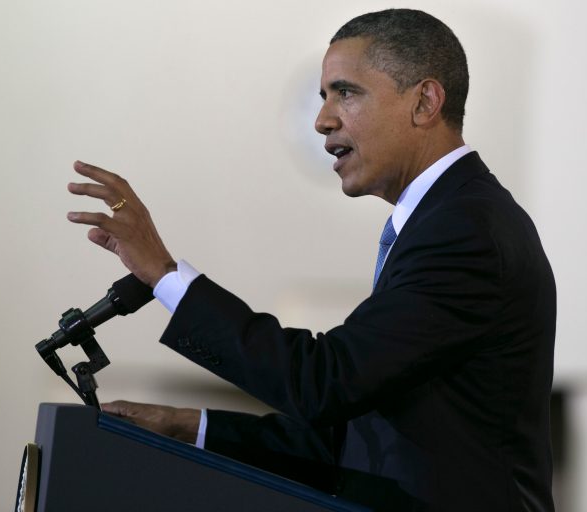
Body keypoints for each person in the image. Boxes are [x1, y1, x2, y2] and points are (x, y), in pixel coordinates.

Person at [66, 9, 556, 512]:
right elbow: (351, 438)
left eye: (346, 92)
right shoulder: (447, 219)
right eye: (324, 96)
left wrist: (166, 277)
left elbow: (325, 383)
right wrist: (186, 426)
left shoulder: (465, 229)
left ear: (425, 102)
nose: (322, 119)